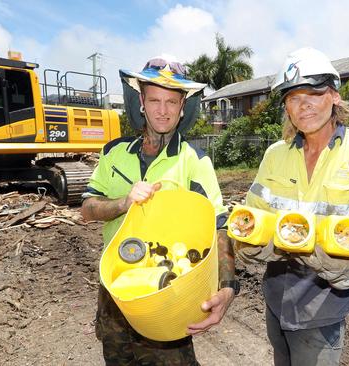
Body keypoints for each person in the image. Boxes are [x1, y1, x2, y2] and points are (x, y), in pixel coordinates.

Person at [234, 47, 349, 365]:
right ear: (286, 106)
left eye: (313, 93)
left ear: (334, 96)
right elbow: (251, 217)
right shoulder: (275, 155)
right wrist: (246, 241)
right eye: (294, 97)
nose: (304, 104)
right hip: (275, 296)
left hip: (323, 305)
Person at [81, 55, 238, 366]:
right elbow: (87, 208)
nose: (162, 110)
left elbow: (219, 225)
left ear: (183, 107)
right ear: (141, 101)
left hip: (168, 293)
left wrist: (228, 288)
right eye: (154, 100)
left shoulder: (194, 160)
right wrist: (124, 203)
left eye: (171, 101)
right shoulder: (113, 153)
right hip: (117, 292)